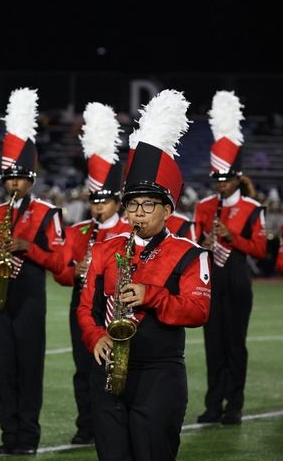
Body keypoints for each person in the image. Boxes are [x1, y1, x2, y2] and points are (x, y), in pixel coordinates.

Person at [77, 89, 211, 461]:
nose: (138, 213)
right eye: (132, 204)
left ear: (167, 209)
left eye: (148, 205)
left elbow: (198, 312)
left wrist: (150, 294)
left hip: (159, 374)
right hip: (106, 371)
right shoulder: (106, 249)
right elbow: (86, 309)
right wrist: (94, 339)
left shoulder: (188, 253)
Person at [0, 88, 65, 455]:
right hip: (4, 297)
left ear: (30, 180)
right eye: (9, 178)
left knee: (29, 370)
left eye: (19, 178)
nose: (13, 184)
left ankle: (27, 438)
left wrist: (29, 248)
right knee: (5, 371)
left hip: (31, 297)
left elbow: (60, 261)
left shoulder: (47, 213)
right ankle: (8, 436)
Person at [53, 102, 129, 445]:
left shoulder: (129, 232)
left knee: (119, 363)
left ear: (118, 200)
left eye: (105, 200)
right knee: (83, 366)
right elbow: (59, 273)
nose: (98, 206)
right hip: (80, 304)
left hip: (118, 306)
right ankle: (87, 425)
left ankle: (117, 421)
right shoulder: (77, 231)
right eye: (94, 200)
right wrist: (74, 269)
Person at [194, 91, 267, 426]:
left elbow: (261, 250)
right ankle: (213, 404)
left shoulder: (253, 209)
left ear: (238, 176)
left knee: (235, 344)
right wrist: (204, 242)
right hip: (212, 278)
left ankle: (233, 404)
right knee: (213, 344)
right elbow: (193, 244)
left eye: (226, 178)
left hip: (237, 278)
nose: (221, 185)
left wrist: (230, 237)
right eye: (217, 179)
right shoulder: (204, 207)